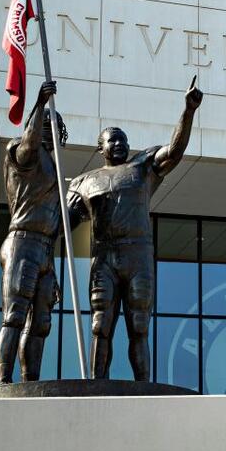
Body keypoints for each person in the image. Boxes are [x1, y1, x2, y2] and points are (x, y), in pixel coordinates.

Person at [68, 76, 203, 380]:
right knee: (101, 326)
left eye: (123, 139)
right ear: (100, 147)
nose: (120, 144)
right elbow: (63, 224)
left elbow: (174, 151)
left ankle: (143, 386)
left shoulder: (142, 168)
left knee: (138, 327)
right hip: (104, 258)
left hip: (137, 255)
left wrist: (188, 111)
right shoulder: (84, 181)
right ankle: (95, 384)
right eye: (112, 139)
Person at [0, 80, 65, 383]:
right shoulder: (23, 156)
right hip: (22, 242)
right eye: (49, 123)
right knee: (14, 317)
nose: (55, 127)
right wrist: (39, 104)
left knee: (40, 324)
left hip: (44, 250)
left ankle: (29, 381)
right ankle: (4, 381)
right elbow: (29, 143)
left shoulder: (55, 166)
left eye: (57, 122)